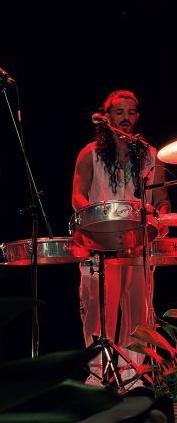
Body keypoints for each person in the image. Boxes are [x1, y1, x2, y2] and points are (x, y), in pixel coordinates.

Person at [71, 89, 171, 386]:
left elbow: (161, 196)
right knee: (97, 308)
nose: (125, 118)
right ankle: (96, 374)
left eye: (130, 112)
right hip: (99, 240)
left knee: (138, 309)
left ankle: (133, 375)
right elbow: (77, 196)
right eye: (119, 112)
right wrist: (95, 217)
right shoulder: (89, 154)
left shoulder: (151, 155)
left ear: (137, 117)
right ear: (107, 117)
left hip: (137, 242)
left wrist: (162, 214)